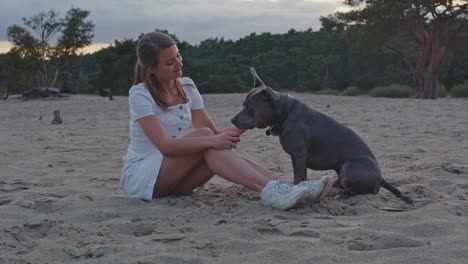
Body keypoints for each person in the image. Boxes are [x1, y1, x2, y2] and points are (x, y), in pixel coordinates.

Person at [121, 31, 333, 210]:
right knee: (206, 138)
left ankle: (288, 189)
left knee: (211, 142)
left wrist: (254, 116)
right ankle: (272, 190)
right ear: (151, 69)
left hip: (177, 178)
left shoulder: (186, 86)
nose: (178, 64)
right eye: (169, 63)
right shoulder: (140, 94)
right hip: (145, 177)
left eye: (178, 56)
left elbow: (218, 140)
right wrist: (213, 140)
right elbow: (165, 146)